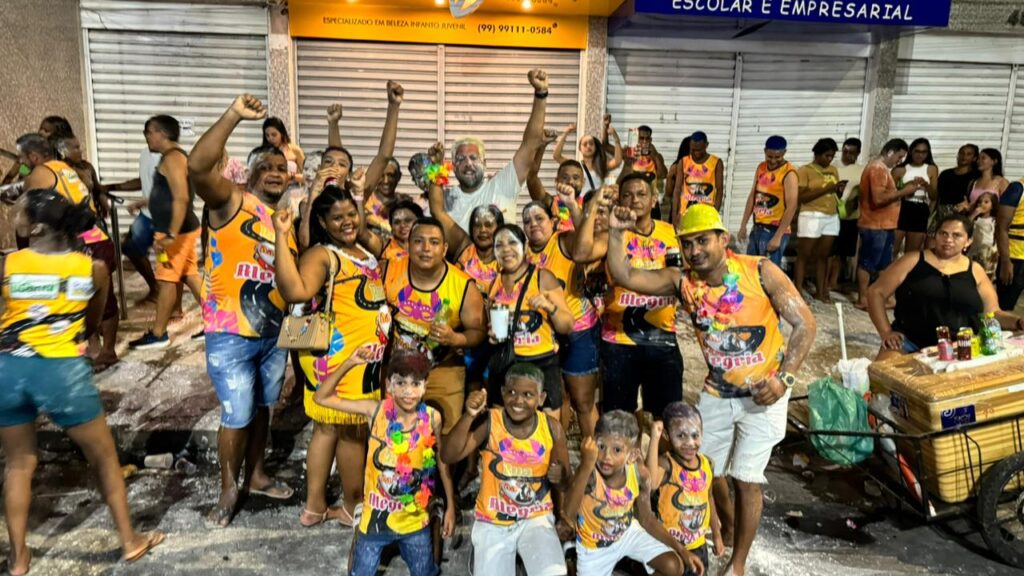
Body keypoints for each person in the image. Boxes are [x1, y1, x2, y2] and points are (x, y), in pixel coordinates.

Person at [605, 203, 816, 576]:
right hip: (717, 393)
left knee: (747, 479)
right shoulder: (682, 282)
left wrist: (784, 379)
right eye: (687, 244)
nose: (694, 250)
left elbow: (805, 324)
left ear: (723, 238)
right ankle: (725, 527)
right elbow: (625, 274)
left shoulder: (759, 271)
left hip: (764, 395)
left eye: (702, 240)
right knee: (703, 468)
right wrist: (617, 232)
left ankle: (737, 564)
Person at [0, 189, 165, 575]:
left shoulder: (9, 262)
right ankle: (130, 541)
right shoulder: (92, 268)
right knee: (105, 460)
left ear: (36, 228)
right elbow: (91, 323)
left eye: (20, 213)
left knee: (19, 464)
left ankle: (18, 558)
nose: (14, 216)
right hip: (62, 371)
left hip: (8, 368)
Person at [188, 94, 298, 526]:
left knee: (264, 407)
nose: (274, 173)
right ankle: (228, 488)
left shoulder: (284, 220)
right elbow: (198, 168)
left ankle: (256, 473)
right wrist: (233, 114)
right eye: (265, 166)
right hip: (230, 333)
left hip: (273, 334)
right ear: (247, 173)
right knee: (236, 413)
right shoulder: (231, 202)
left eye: (281, 168)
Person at [273, 184, 393, 528]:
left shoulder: (360, 249)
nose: (347, 222)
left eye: (351, 214)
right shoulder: (322, 255)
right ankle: (353, 505)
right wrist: (282, 235)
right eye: (337, 218)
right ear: (323, 222)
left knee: (327, 428)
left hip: (358, 357)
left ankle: (314, 507)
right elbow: (295, 290)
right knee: (351, 430)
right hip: (342, 357)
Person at [314, 349, 455, 576]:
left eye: (416, 383)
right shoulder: (375, 411)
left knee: (425, 572)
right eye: (401, 383)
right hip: (374, 522)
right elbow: (321, 397)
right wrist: (350, 362)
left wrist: (451, 507)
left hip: (414, 522)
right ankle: (359, 521)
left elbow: (442, 460)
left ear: (425, 386)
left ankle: (435, 511)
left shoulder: (432, 418)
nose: (408, 391)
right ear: (389, 385)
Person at [442, 365, 573, 576]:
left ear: (541, 398)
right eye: (511, 392)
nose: (518, 400)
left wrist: (562, 479)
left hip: (536, 517)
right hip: (493, 520)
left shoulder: (551, 428)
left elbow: (566, 484)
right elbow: (448, 456)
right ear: (502, 392)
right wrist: (468, 416)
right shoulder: (490, 422)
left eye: (528, 395)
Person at [574, 173, 683, 424]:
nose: (634, 199)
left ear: (654, 200)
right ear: (619, 201)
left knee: (667, 419)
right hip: (619, 340)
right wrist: (594, 203)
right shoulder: (614, 233)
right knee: (618, 419)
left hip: (663, 338)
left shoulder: (671, 233)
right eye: (627, 195)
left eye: (641, 194)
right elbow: (580, 254)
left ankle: (656, 450)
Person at [17, 133, 121, 371]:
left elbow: (25, 217)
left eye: (22, 158)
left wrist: (23, 252)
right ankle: (100, 349)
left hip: (81, 243)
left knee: (88, 298)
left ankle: (102, 351)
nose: (20, 163)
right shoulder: (64, 168)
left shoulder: (39, 174)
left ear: (33, 156)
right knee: (100, 297)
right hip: (97, 237)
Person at [382, 217, 487, 435]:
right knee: (393, 432)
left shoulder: (463, 286)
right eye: (418, 241)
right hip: (396, 370)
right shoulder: (388, 271)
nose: (426, 248)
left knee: (444, 435)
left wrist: (455, 338)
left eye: (434, 242)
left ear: (445, 249)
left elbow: (479, 332)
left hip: (442, 369)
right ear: (408, 245)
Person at [869, 213, 1023, 359]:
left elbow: (993, 314)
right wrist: (886, 331)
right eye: (943, 233)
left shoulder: (976, 270)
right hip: (909, 342)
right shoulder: (912, 260)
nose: (948, 239)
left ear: (968, 241)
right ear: (935, 236)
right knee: (882, 373)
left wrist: (1018, 322)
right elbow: (876, 292)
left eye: (957, 235)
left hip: (960, 348)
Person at [565, 411, 697, 576]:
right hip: (594, 547)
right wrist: (585, 466)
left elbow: (647, 519)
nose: (606, 456)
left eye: (617, 450)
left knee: (673, 565)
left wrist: (681, 550)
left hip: (627, 534)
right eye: (601, 446)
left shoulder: (639, 474)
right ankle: (572, 559)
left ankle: (626, 565)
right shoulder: (591, 474)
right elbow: (568, 515)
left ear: (632, 455)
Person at [525, 171, 603, 439]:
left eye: (539, 218)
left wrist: (572, 205)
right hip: (547, 334)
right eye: (527, 221)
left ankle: (595, 457)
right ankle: (563, 451)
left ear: (553, 221)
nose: (533, 224)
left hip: (579, 331)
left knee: (583, 401)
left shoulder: (564, 240)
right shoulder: (522, 252)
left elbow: (584, 239)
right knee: (558, 397)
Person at [129, 115, 203, 350]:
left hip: (176, 233)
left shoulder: (173, 158)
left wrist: (171, 234)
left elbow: (181, 197)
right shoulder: (170, 157)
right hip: (181, 230)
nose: (147, 136)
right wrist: (146, 202)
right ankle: (218, 321)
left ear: (162, 133)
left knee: (166, 280)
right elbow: (169, 194)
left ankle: (159, 333)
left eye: (149, 131)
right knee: (190, 275)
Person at [444, 69, 550, 231]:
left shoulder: (502, 185)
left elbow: (530, 144)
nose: (468, 163)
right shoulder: (446, 199)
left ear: (484, 163)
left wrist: (540, 94)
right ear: (453, 167)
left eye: (473, 157)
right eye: (460, 159)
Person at [488, 224, 574, 417]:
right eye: (499, 245)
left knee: (548, 425)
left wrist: (550, 307)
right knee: (502, 423)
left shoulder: (542, 277)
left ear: (525, 246)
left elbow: (568, 325)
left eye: (512, 242)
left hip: (542, 362)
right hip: (506, 362)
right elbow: (491, 326)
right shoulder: (494, 283)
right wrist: (492, 335)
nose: (506, 249)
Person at [648, 404, 724, 576]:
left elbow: (709, 498)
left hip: (698, 545)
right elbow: (651, 483)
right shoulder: (667, 464)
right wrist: (654, 438)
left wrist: (717, 535)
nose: (689, 443)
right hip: (669, 546)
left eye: (695, 435)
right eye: (681, 435)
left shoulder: (706, 464)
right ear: (666, 435)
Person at [426, 142, 502, 294]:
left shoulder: (508, 254)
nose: (483, 230)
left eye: (488, 225)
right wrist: (436, 166)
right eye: (477, 225)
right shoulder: (464, 247)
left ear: (499, 228)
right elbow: (437, 210)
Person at [856, 138, 916, 309]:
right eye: (899, 156)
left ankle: (886, 297)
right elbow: (879, 198)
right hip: (874, 225)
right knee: (868, 263)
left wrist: (905, 191)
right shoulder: (877, 168)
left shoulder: (882, 169)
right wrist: (903, 191)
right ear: (890, 152)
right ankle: (863, 298)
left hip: (884, 224)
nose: (899, 161)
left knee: (884, 264)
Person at [737, 136, 798, 267]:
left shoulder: (789, 173)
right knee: (751, 268)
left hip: (775, 230)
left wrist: (778, 237)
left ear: (784, 153)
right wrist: (743, 225)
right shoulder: (761, 167)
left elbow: (792, 206)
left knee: (768, 271)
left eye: (778, 157)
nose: (773, 161)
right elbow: (753, 196)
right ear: (765, 151)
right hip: (758, 227)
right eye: (769, 156)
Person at [794, 138, 841, 302]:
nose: (830, 159)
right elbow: (801, 197)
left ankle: (821, 291)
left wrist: (838, 190)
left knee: (824, 255)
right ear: (817, 154)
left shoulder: (833, 170)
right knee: (804, 254)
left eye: (832, 156)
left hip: (831, 215)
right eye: (827, 156)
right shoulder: (805, 170)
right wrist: (826, 189)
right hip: (811, 215)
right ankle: (798, 290)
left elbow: (834, 193)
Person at [552, 116, 622, 200]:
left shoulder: (600, 165)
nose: (588, 146)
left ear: (595, 147)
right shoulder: (575, 167)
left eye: (591, 144)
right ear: (579, 148)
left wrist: (615, 138)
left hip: (596, 204)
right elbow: (556, 156)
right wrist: (566, 133)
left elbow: (617, 161)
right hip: (578, 204)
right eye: (585, 144)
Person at [828, 138, 864, 292]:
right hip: (831, 214)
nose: (847, 155)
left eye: (852, 153)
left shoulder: (861, 170)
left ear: (858, 153)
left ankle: (833, 281)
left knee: (842, 253)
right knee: (829, 251)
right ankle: (823, 282)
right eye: (845, 151)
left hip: (850, 216)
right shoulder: (833, 167)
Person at [892, 138, 939, 255]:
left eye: (924, 152)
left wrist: (926, 185)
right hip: (902, 207)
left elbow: (934, 196)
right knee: (892, 249)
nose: (920, 155)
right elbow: (889, 193)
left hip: (920, 208)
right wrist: (906, 188)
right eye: (917, 151)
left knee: (912, 253)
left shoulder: (931, 169)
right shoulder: (900, 169)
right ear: (911, 151)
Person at [671, 131, 725, 228]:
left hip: (706, 216)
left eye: (699, 150)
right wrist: (674, 215)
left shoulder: (716, 163)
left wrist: (715, 214)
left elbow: (720, 190)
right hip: (685, 214)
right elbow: (677, 189)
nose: (696, 153)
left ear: (706, 145)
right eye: (693, 150)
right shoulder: (683, 162)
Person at [618, 125, 669, 220]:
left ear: (651, 140)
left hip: (651, 201)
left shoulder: (656, 156)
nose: (644, 142)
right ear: (637, 139)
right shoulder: (631, 154)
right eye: (641, 138)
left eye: (647, 139)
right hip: (634, 200)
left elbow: (663, 174)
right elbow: (609, 149)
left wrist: (655, 156)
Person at [935, 144, 980, 225]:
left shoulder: (976, 176)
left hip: (963, 214)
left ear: (974, 158)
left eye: (969, 154)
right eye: (962, 153)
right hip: (942, 213)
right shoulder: (945, 174)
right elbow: (938, 196)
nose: (964, 156)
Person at [262, 116, 306, 184]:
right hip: (272, 188)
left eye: (274, 135)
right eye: (267, 135)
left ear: (282, 133)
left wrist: (292, 176)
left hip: (293, 188)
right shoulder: (263, 153)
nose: (270, 139)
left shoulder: (295, 150)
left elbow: (307, 177)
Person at [969, 192, 999, 278]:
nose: (982, 204)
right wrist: (973, 214)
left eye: (986, 202)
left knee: (986, 274)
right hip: (975, 250)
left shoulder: (994, 220)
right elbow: (966, 226)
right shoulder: (976, 220)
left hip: (989, 252)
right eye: (980, 202)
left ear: (992, 205)